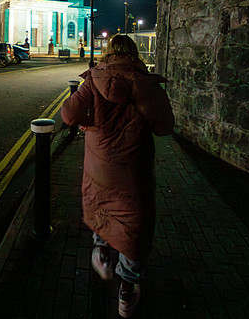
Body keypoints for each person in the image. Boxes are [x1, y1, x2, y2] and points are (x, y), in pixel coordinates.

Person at [61, 34, 174, 318]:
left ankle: (101, 252)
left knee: (100, 205)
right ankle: (127, 288)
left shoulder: (93, 81)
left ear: (108, 53)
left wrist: (90, 124)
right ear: (134, 54)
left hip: (99, 165)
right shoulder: (144, 83)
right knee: (134, 222)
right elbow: (164, 127)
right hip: (133, 170)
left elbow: (69, 115)